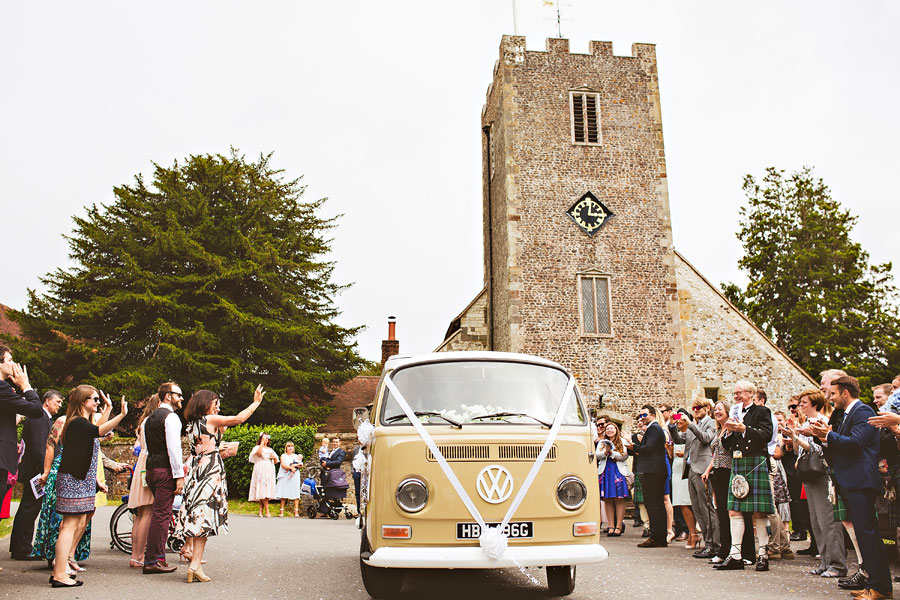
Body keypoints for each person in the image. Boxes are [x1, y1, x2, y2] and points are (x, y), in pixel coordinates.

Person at [809, 375, 891, 600]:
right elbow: (840, 445)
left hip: (861, 480)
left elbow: (855, 444)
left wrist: (828, 435)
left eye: (833, 394)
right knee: (865, 535)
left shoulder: (862, 411)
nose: (831, 398)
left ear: (845, 393)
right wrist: (822, 438)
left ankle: (880, 587)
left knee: (868, 534)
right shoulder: (846, 414)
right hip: (851, 480)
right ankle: (874, 584)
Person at [177, 385, 264, 583]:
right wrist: (256, 403)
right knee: (205, 518)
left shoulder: (191, 424)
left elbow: (213, 438)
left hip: (196, 470)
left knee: (200, 518)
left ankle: (195, 564)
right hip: (210, 472)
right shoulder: (209, 420)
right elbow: (238, 419)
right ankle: (194, 565)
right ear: (206, 404)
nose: (217, 408)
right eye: (215, 404)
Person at [51, 386, 127, 587]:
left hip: (80, 479)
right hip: (74, 480)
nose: (97, 402)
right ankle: (59, 574)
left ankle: (60, 570)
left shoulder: (82, 423)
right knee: (68, 526)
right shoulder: (77, 423)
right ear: (82, 401)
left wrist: (109, 408)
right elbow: (98, 431)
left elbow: (96, 431)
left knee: (73, 525)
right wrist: (121, 415)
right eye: (94, 399)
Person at [714, 380, 774, 572]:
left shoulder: (762, 411)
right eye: (735, 394)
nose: (736, 396)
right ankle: (735, 555)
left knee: (758, 512)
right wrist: (729, 433)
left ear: (750, 393)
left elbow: (766, 435)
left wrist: (743, 429)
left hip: (755, 461)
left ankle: (763, 555)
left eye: (739, 393)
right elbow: (728, 443)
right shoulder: (735, 412)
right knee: (734, 510)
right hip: (738, 462)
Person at [9, 390, 62, 560]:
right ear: (47, 401)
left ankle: (19, 546)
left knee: (28, 507)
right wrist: (46, 472)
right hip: (36, 472)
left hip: (35, 470)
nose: (59, 406)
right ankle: (22, 549)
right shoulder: (40, 418)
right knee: (29, 509)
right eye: (57, 402)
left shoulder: (42, 418)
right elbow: (40, 448)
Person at [143, 381, 185, 575]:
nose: (182, 398)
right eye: (179, 394)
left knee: (159, 515)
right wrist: (179, 475)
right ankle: (153, 560)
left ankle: (156, 557)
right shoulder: (171, 418)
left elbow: (147, 448)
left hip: (151, 470)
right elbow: (174, 449)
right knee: (162, 516)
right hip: (164, 471)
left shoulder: (149, 419)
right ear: (168, 396)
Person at [0, 345, 44, 528]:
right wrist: (26, 386)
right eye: (9, 360)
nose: (14, 364)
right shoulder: (2, 388)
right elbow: (36, 410)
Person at [678, 398, 719, 559]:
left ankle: (715, 544)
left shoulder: (710, 423)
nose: (695, 410)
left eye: (698, 407)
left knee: (707, 507)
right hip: (691, 469)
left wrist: (690, 424)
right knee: (697, 508)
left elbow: (705, 438)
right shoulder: (693, 425)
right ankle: (708, 544)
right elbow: (679, 439)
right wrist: (674, 425)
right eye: (693, 408)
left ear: (707, 408)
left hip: (703, 469)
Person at [126, 394, 160, 568]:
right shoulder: (153, 421)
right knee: (147, 511)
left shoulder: (144, 422)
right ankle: (139, 556)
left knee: (141, 513)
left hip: (141, 464)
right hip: (148, 464)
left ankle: (135, 554)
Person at [627, 404, 668, 548]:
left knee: (653, 504)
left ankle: (656, 536)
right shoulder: (652, 429)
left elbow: (649, 449)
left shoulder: (654, 428)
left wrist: (633, 446)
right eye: (641, 415)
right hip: (654, 470)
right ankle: (659, 536)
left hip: (653, 471)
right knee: (655, 504)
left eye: (645, 415)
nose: (642, 418)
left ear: (652, 414)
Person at [701, 400, 732, 566]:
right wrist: (707, 470)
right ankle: (724, 548)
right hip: (717, 472)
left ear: (727, 410)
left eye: (720, 409)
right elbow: (716, 454)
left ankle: (729, 549)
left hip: (729, 471)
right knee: (720, 511)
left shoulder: (731, 428)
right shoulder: (719, 430)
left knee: (729, 512)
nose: (717, 412)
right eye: (715, 410)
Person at [670, 409, 698, 546]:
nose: (678, 421)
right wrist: (671, 424)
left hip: (688, 467)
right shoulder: (678, 433)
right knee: (681, 503)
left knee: (690, 503)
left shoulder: (693, 431)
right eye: (677, 418)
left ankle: (693, 532)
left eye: (681, 418)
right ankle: (691, 532)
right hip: (677, 467)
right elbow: (676, 439)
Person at [597, 422, 630, 536]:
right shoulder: (602, 442)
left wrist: (612, 453)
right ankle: (610, 525)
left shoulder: (623, 441)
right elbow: (597, 455)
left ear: (616, 430)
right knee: (607, 499)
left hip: (617, 471)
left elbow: (624, 456)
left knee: (619, 498)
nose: (609, 430)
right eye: (607, 429)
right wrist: (605, 452)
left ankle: (619, 526)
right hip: (605, 471)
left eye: (612, 428)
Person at [249, 432, 278, 517]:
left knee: (265, 489)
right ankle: (267, 510)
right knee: (261, 487)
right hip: (260, 468)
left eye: (267, 438)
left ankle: (261, 509)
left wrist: (274, 458)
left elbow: (276, 461)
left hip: (269, 468)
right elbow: (258, 454)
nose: (266, 440)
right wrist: (261, 443)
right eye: (264, 438)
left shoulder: (270, 449)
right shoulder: (257, 448)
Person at [275, 440, 304, 517]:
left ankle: (296, 511)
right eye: (289, 446)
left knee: (295, 492)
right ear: (286, 448)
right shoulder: (283, 456)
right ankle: (281, 511)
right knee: (284, 492)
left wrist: (297, 466)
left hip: (295, 476)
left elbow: (301, 464)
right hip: (285, 475)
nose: (290, 448)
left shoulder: (296, 456)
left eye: (292, 446)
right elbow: (283, 465)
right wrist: (291, 468)